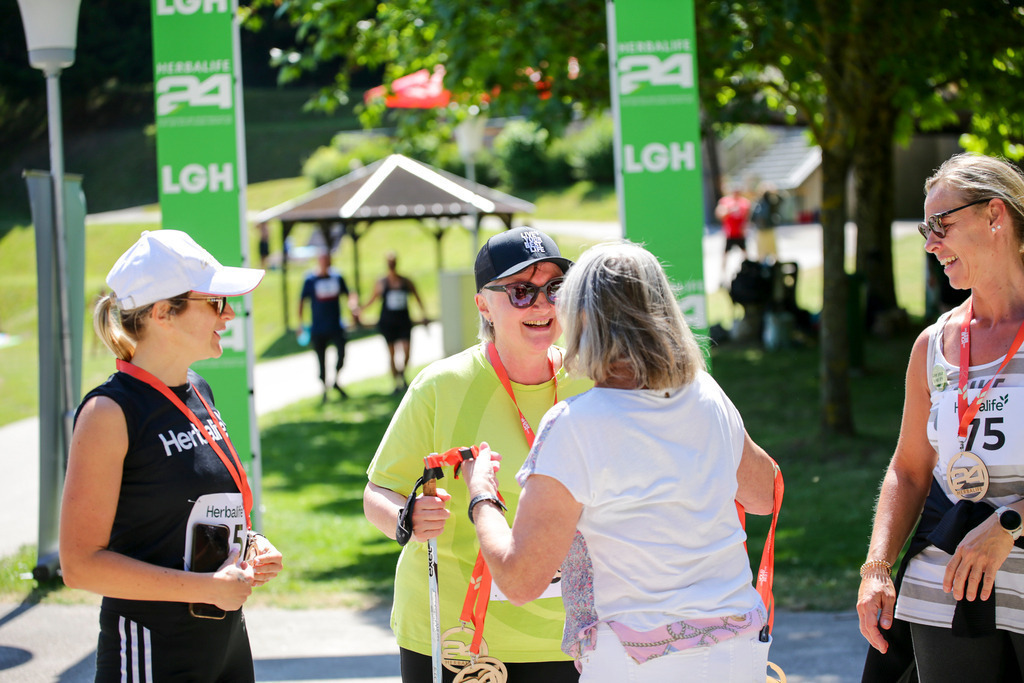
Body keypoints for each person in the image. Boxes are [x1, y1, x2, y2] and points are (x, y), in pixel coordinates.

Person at [459, 241, 780, 682]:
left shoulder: (575, 425)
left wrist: (481, 495)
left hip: (635, 656)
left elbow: (520, 581)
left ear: (583, 320)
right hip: (736, 645)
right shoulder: (705, 394)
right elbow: (765, 494)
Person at [363, 226, 593, 682]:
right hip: (460, 640)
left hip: (571, 636)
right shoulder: (439, 386)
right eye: (522, 291)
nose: (542, 304)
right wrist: (407, 518)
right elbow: (378, 491)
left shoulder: (592, 380)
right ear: (484, 304)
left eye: (554, 289)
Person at [60, 229, 283, 683]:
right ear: (164, 312)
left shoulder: (198, 388)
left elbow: (182, 513)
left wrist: (249, 542)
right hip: (152, 653)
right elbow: (79, 564)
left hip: (224, 644)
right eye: (216, 303)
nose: (230, 314)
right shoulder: (109, 412)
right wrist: (206, 588)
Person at [857, 153, 1024, 682]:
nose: (929, 243)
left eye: (941, 225)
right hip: (943, 586)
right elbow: (908, 470)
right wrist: (877, 567)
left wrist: (1008, 524)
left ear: (995, 215)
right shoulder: (934, 345)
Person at [360, 251, 427, 394]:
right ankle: (396, 382)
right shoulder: (382, 282)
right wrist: (360, 310)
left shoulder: (405, 281)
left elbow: (417, 297)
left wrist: (424, 314)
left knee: (406, 351)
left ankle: (401, 374)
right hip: (387, 322)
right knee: (391, 353)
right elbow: (372, 299)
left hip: (403, 321)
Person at [298, 249, 360, 403]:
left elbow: (349, 294)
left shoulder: (337, 277)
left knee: (342, 353)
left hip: (336, 326)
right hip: (318, 328)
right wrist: (300, 323)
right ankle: (324, 389)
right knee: (321, 359)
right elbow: (301, 301)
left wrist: (353, 306)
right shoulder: (310, 280)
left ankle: (336, 380)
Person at [716, 185, 751, 283]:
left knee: (745, 255)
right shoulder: (725, 202)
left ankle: (748, 272)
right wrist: (728, 211)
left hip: (740, 234)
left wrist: (745, 227)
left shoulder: (744, 202)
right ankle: (723, 277)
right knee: (725, 255)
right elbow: (719, 214)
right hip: (730, 233)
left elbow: (747, 217)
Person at [752, 183, 782, 262]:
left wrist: (774, 192)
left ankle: (776, 269)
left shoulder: (771, 201)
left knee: (773, 251)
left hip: (769, 229)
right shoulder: (758, 202)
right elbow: (753, 217)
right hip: (760, 230)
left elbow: (780, 200)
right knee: (761, 253)